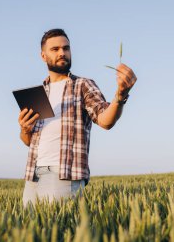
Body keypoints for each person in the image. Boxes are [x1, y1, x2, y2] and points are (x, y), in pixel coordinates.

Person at [18, 29, 137, 207]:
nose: (62, 53)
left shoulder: (82, 85)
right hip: (33, 175)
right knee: (29, 232)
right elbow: (29, 141)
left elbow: (105, 120)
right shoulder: (39, 93)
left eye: (66, 48)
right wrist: (25, 129)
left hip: (63, 174)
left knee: (57, 232)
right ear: (43, 56)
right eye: (55, 49)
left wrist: (120, 96)